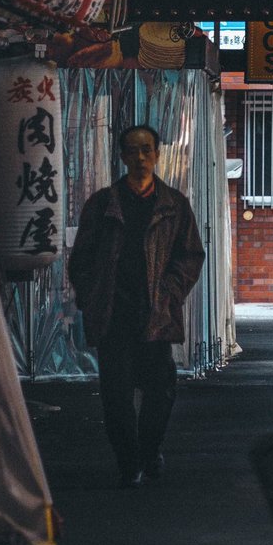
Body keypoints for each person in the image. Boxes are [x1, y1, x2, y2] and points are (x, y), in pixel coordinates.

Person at [67, 125, 205, 488]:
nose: (141, 157)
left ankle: (149, 449)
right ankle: (129, 462)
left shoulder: (174, 205)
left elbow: (191, 256)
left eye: (147, 150)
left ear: (157, 153)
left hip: (156, 315)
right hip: (113, 315)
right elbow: (81, 259)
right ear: (123, 156)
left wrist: (170, 291)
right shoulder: (102, 204)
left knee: (160, 392)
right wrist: (90, 297)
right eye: (133, 150)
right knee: (116, 397)